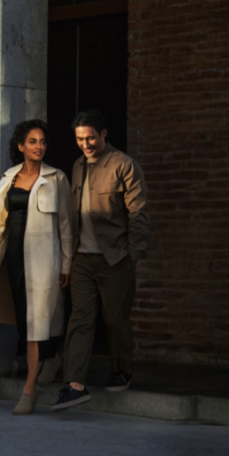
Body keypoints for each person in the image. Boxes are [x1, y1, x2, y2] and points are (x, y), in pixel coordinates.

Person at [0, 119, 72, 415]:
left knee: (39, 318)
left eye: (43, 142)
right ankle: (52, 356)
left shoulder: (57, 178)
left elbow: (66, 225)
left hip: (45, 258)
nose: (39, 147)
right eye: (33, 142)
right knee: (26, 317)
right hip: (13, 256)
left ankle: (30, 389)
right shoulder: (8, 178)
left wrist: (67, 262)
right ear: (21, 146)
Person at [51, 109, 150, 411]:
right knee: (79, 319)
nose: (86, 144)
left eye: (91, 137)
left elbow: (138, 213)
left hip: (115, 258)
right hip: (83, 259)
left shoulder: (124, 166)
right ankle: (74, 385)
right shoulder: (78, 166)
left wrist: (132, 255)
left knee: (115, 319)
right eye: (80, 139)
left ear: (104, 134)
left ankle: (122, 369)